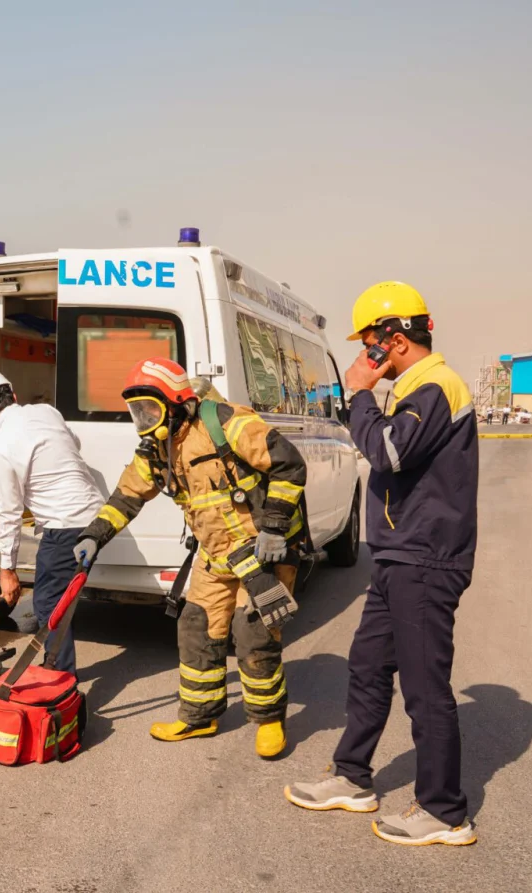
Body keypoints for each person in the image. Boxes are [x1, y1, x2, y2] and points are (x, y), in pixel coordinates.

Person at [285, 281, 478, 847]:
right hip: (398, 555)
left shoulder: (436, 385)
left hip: (425, 558)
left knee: (424, 689)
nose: (365, 352)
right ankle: (352, 777)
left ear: (391, 340)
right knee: (368, 667)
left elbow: (388, 452)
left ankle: (445, 812)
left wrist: (360, 395)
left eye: (368, 340)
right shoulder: (420, 385)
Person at [74, 358, 307, 758]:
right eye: (137, 411)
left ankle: (269, 720)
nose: (143, 419)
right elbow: (127, 496)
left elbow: (290, 466)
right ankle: (200, 717)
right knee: (197, 627)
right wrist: (95, 535)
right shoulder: (158, 450)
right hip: (216, 557)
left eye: (150, 408)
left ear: (177, 402)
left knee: (254, 635)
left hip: (261, 554)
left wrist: (272, 528)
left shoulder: (228, 424)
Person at [0, 370, 102, 675]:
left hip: (65, 525)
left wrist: (8, 570)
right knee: (64, 597)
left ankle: (59, 674)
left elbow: (10, 515)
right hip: (98, 518)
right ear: (13, 395)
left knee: (47, 603)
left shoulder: (1, 449)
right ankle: (58, 665)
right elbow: (71, 446)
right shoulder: (46, 411)